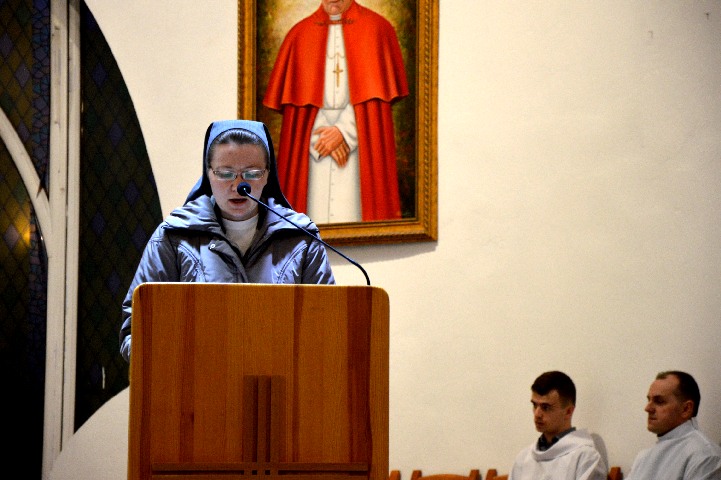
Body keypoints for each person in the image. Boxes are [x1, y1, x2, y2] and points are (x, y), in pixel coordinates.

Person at [119, 119, 335, 362]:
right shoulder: (173, 237)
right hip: (195, 379)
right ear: (208, 174)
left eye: (252, 174)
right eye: (225, 174)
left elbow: (328, 327)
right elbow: (134, 334)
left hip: (278, 380)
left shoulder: (301, 239)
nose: (238, 185)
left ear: (267, 175)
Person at [262, 0, 409, 223]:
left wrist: (344, 131)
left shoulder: (377, 28)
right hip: (313, 150)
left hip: (360, 147)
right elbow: (298, 111)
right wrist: (321, 136)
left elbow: (374, 99)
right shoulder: (299, 35)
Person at [509, 371, 607, 480]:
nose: (537, 414)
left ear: (568, 412)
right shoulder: (523, 459)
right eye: (535, 405)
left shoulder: (585, 457)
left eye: (545, 407)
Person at [626, 371, 721, 479]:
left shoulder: (705, 455)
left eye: (659, 401)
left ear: (686, 409)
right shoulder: (643, 457)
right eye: (649, 400)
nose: (647, 408)